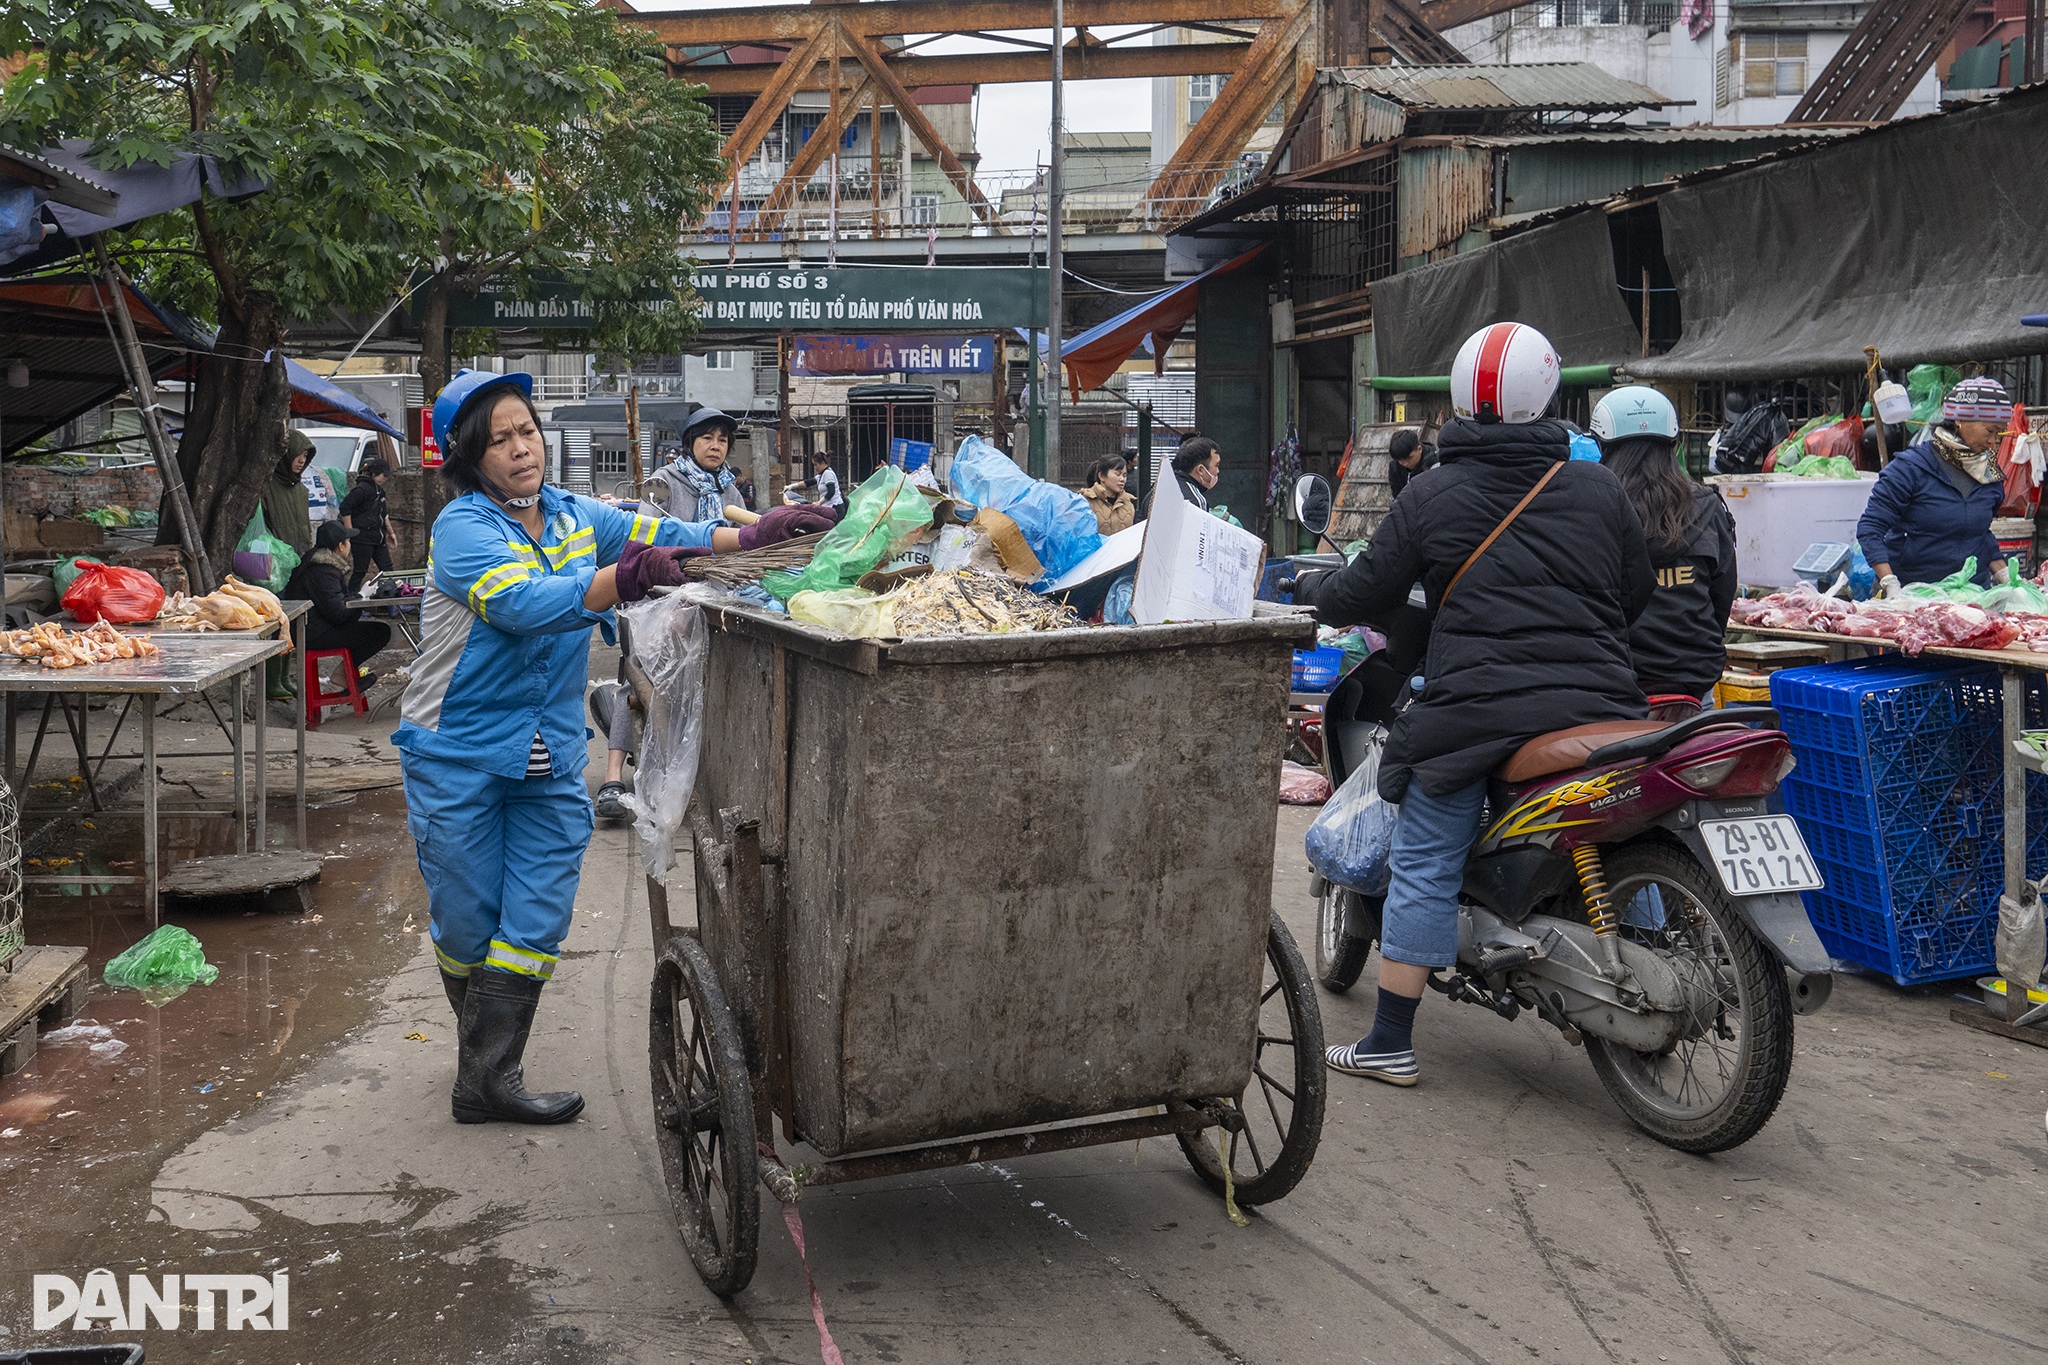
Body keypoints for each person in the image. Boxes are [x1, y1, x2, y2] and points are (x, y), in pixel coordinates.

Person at [397, 369, 818, 1126]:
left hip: (549, 751)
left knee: (533, 919)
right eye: (500, 439)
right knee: (466, 924)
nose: (522, 448)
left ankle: (489, 1075)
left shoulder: (573, 514)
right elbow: (522, 603)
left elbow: (668, 534)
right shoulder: (463, 530)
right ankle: (478, 1051)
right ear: (469, 455)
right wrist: (618, 580)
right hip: (457, 751)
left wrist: (755, 533)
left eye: (527, 429)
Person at [1294, 322, 1654, 1088]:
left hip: (1477, 711)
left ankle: (1390, 1041)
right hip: (1600, 701)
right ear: (1548, 394)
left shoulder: (1433, 492)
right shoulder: (1597, 487)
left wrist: (1312, 592)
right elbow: (1636, 594)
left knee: (1424, 857)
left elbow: (1368, 590)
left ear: (1460, 398)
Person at [1591, 386, 1738, 719]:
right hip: (1692, 686)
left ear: (1601, 445)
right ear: (1674, 444)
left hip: (1616, 688)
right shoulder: (1708, 506)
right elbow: (1722, 598)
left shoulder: (1594, 510)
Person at [1857, 376, 2012, 593]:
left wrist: (2006, 577)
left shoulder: (1989, 476)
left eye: (1999, 433)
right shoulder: (1910, 468)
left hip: (1969, 597)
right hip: (1911, 595)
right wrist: (1890, 583)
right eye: (1989, 431)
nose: (1993, 442)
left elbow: (1980, 534)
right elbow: (1870, 529)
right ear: (1961, 420)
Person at [283, 520, 392, 684]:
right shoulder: (322, 571)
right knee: (380, 632)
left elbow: (336, 603)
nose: (350, 545)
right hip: (311, 633)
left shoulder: (318, 564)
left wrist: (363, 597)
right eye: (348, 541)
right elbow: (338, 614)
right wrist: (361, 596)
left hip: (313, 627)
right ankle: (342, 675)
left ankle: (346, 674)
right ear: (341, 546)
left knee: (374, 629)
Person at [651, 408, 740, 523]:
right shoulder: (663, 481)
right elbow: (645, 529)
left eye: (722, 440)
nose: (716, 446)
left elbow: (744, 536)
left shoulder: (730, 492)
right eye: (707, 438)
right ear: (690, 442)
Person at [340, 457, 396, 593]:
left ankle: (392, 600)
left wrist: (391, 532)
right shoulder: (362, 489)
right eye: (384, 475)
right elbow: (345, 507)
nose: (385, 479)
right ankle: (353, 597)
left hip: (378, 537)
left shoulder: (380, 491)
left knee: (388, 570)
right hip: (363, 537)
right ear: (375, 473)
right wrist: (350, 532)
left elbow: (384, 513)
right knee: (360, 570)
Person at [262, 431, 316, 560]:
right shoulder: (266, 488)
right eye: (297, 454)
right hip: (276, 562)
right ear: (286, 454)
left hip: (301, 560)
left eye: (305, 455)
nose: (302, 460)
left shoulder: (301, 490)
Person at [1144, 436, 1220, 516]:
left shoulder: (1154, 493)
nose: (1218, 471)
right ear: (1200, 470)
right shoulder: (1195, 501)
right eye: (1217, 465)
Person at [1080, 454, 1136, 534]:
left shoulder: (1128, 503)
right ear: (1102, 476)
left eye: (1124, 475)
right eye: (1117, 474)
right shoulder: (1086, 501)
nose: (1122, 479)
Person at [1386, 429, 1437, 500]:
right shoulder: (1395, 466)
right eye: (1401, 461)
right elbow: (1397, 495)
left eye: (1409, 458)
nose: (1406, 464)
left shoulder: (1435, 465)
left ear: (1419, 449)